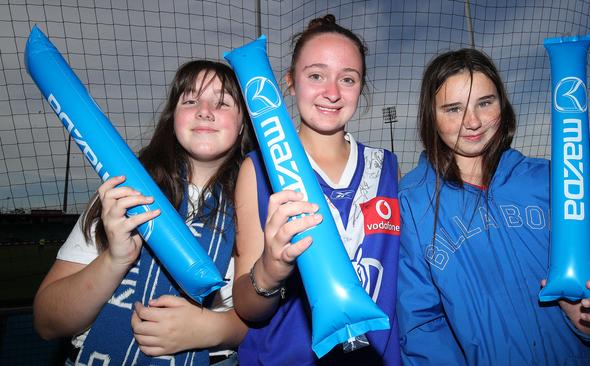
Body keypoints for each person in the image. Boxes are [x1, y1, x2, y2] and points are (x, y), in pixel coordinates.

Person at [397, 48, 590, 365]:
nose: (472, 121)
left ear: (503, 104)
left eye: (484, 103)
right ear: (431, 117)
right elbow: (419, 322)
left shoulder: (553, 179)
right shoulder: (410, 202)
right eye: (453, 109)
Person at [33, 60, 253, 365]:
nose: (205, 110)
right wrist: (115, 260)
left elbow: (272, 320)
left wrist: (214, 327)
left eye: (222, 102)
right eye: (190, 100)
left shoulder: (257, 203)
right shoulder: (123, 192)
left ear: (243, 123)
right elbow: (47, 322)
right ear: (173, 116)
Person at [233, 14, 400, 365]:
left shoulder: (387, 168)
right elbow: (247, 307)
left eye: (348, 79)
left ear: (361, 87)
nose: (333, 93)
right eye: (316, 75)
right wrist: (270, 268)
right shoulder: (258, 169)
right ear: (290, 83)